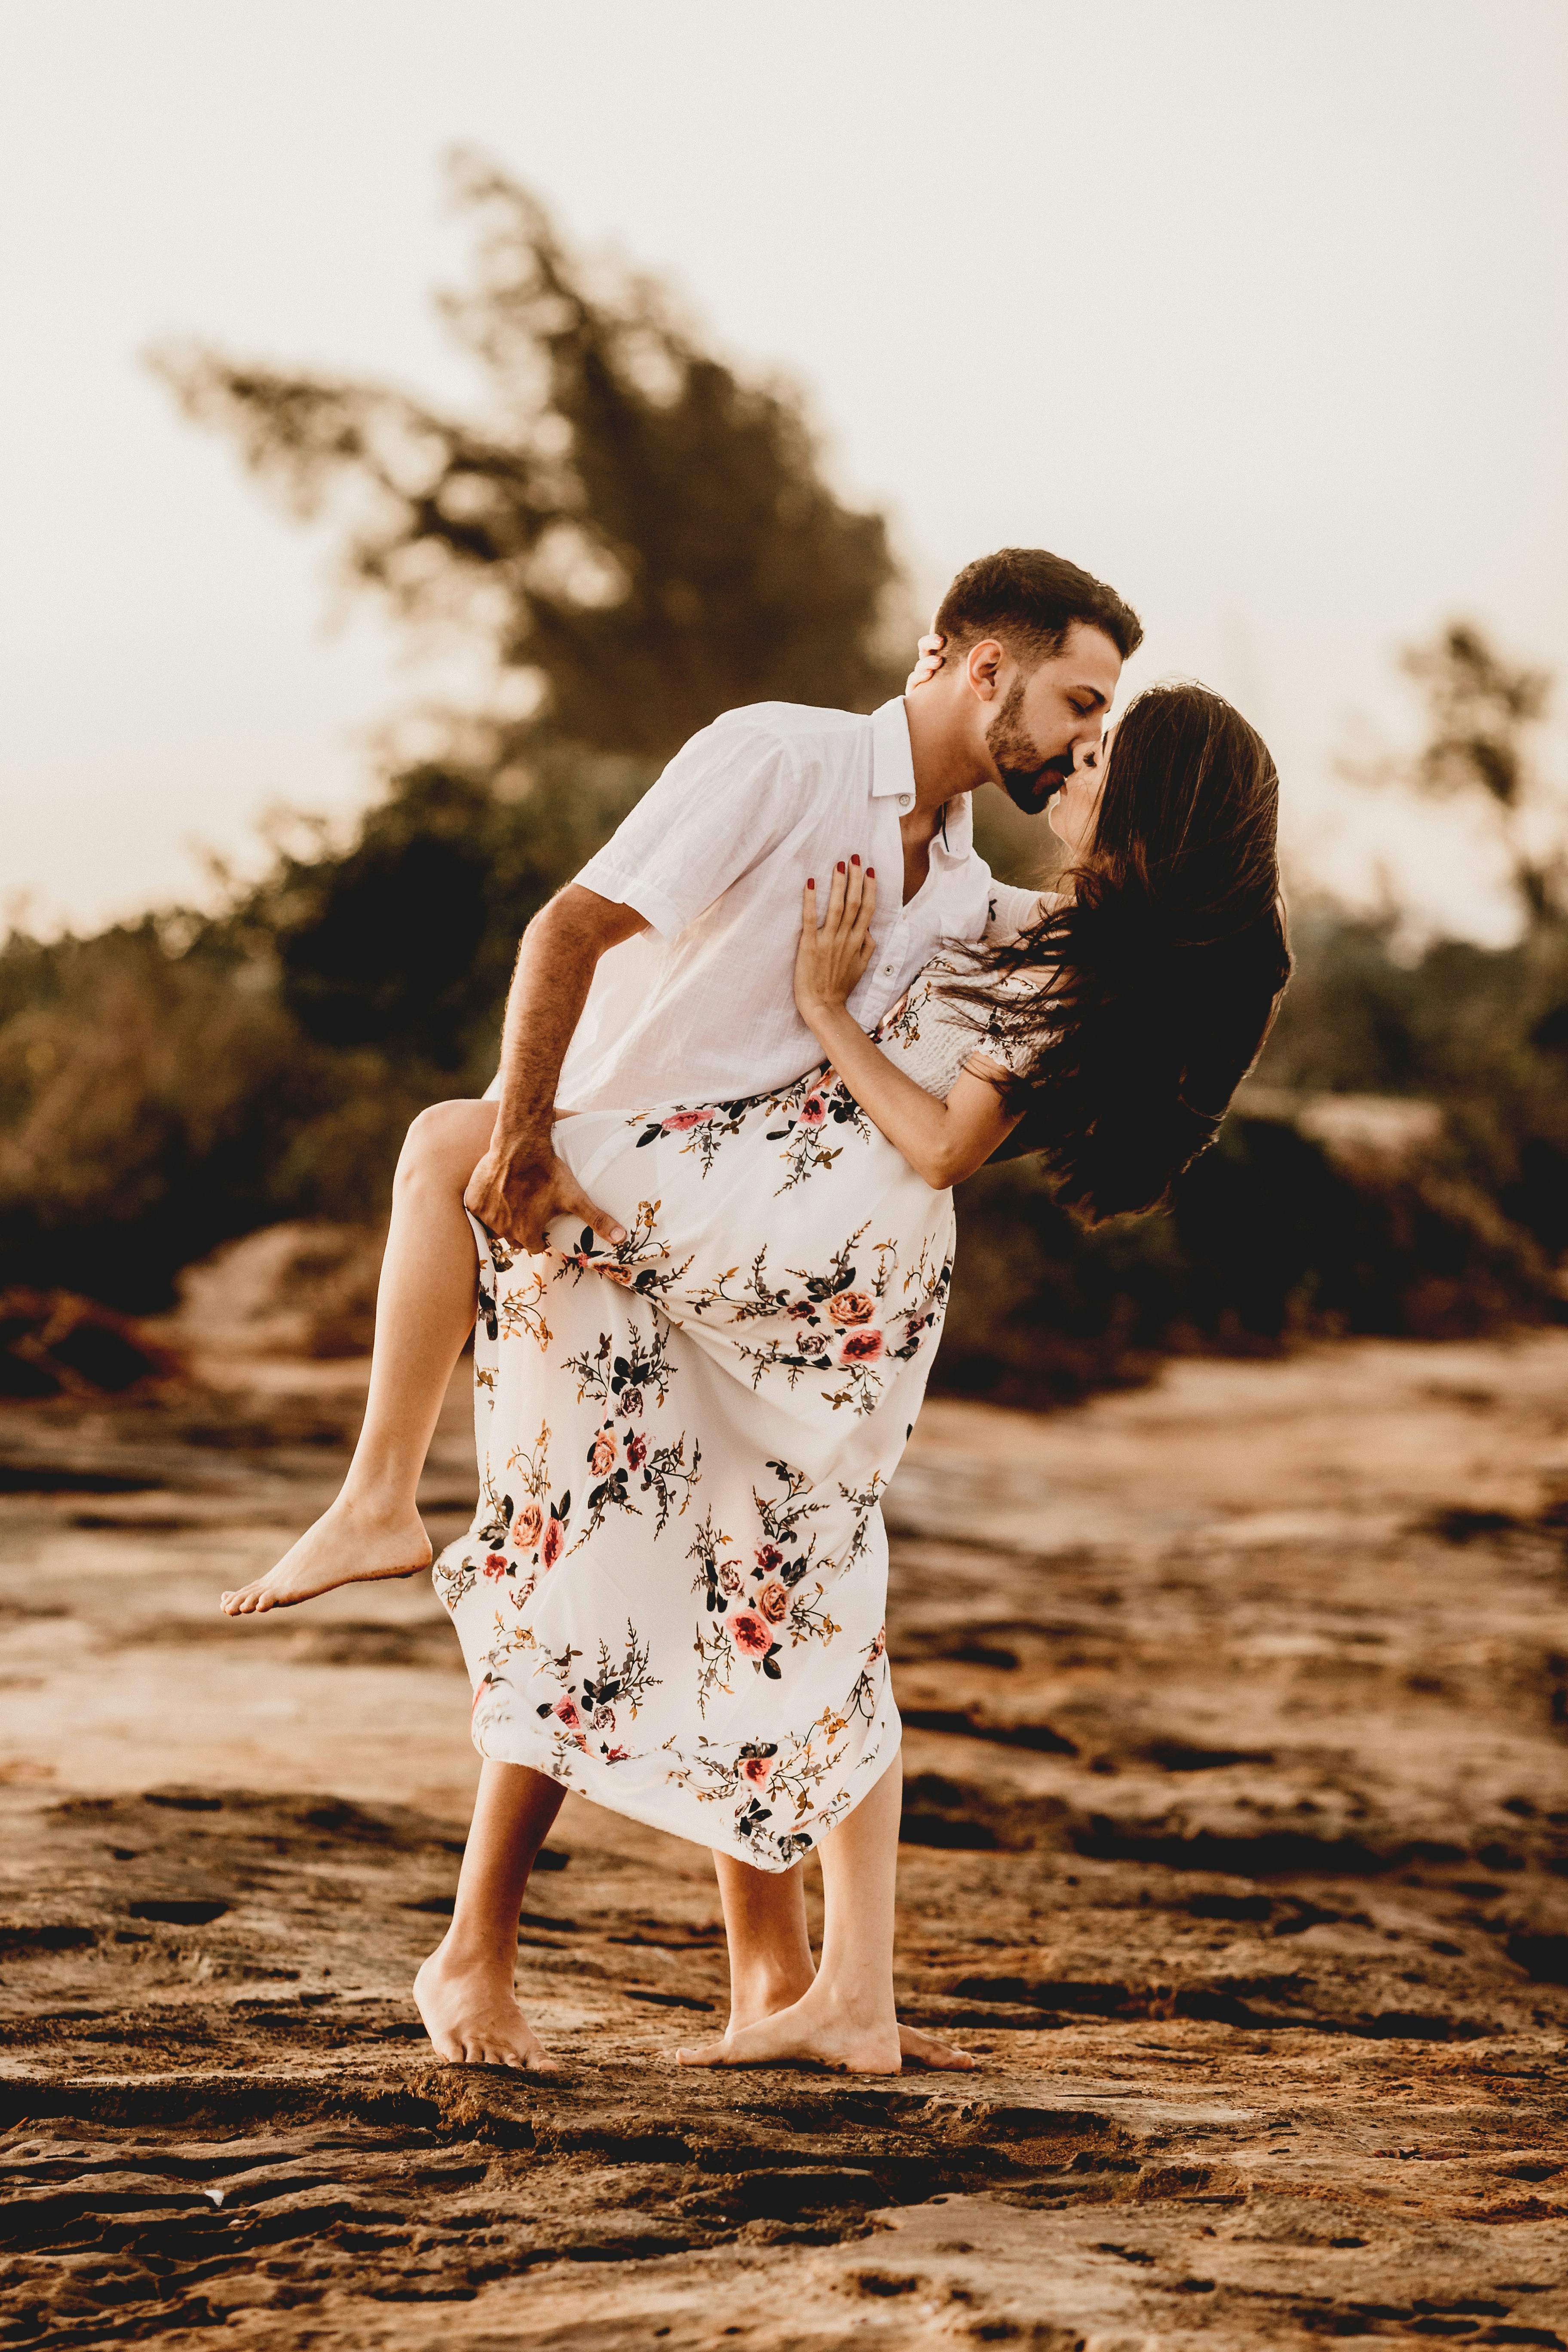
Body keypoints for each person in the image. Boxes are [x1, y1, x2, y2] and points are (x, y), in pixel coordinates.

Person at [220, 546, 1158, 2071]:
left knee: (728, 1592)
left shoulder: (967, 893)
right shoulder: (777, 756)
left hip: (739, 1274)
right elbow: (566, 934)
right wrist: (525, 1134)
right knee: (579, 1576)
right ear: (983, 667)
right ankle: (487, 1943)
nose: (1076, 737)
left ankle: (734, 1973)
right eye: (1074, 700)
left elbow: (1023, 1024)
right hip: (595, 1229)